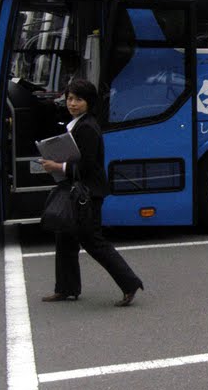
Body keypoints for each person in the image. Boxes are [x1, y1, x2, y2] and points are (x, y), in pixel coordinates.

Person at [38, 79, 145, 307]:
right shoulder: (78, 123)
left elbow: (87, 165)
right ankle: (66, 289)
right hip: (78, 190)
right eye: (69, 99)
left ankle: (130, 283)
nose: (72, 104)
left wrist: (57, 167)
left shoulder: (87, 127)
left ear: (89, 102)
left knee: (93, 240)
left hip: (88, 192)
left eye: (78, 99)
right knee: (65, 238)